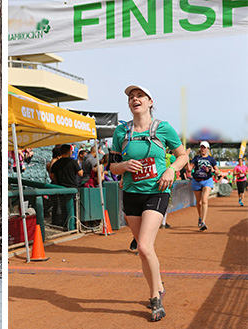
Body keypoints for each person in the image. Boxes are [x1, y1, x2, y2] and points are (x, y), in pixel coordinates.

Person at [109, 85, 188, 322]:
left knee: (143, 246)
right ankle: (159, 285)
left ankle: (155, 297)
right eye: (131, 97)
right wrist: (124, 166)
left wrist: (171, 170)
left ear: (150, 101)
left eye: (139, 96)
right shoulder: (121, 132)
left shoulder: (163, 128)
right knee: (145, 252)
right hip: (132, 194)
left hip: (157, 191)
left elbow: (183, 156)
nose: (135, 99)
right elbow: (112, 166)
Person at [50, 144, 83, 227]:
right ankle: (72, 226)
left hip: (60, 188)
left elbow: (52, 177)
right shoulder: (72, 162)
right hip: (72, 188)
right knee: (73, 208)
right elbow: (80, 173)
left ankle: (65, 225)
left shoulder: (56, 163)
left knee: (63, 208)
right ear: (69, 152)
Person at [188, 141, 219, 231]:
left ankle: (203, 222)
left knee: (205, 200)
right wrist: (186, 157)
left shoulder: (211, 159)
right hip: (196, 181)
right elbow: (189, 169)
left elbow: (217, 172)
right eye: (201, 147)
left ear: (208, 149)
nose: (203, 149)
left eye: (204, 147)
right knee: (199, 203)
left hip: (207, 181)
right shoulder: (196, 158)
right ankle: (200, 217)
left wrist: (212, 170)